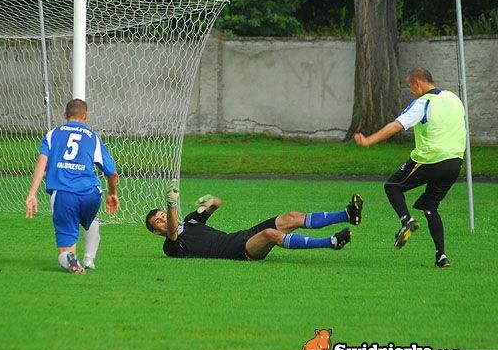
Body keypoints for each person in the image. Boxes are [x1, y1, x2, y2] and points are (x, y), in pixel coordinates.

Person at [354, 67, 466, 268]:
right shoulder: (453, 98)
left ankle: (406, 221)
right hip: (455, 162)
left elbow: (396, 126)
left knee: (392, 186)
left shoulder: (423, 103)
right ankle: (441, 256)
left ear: (418, 83)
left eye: (410, 87)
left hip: (431, 159)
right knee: (430, 207)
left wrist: (368, 141)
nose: (411, 92)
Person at [145, 180, 362, 261]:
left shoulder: (192, 220)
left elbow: (217, 203)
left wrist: (207, 200)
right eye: (158, 221)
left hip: (242, 236)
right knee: (270, 235)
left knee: (291, 217)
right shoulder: (171, 247)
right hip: (236, 251)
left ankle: (347, 215)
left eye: (162, 215)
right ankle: (331, 242)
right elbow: (172, 231)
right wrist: (171, 205)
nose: (163, 219)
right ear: (156, 232)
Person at [25, 99, 119, 274]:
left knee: (65, 250)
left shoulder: (52, 135)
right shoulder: (93, 137)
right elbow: (112, 173)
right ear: (85, 116)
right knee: (91, 218)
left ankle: (71, 260)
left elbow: (41, 162)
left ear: (65, 115)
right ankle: (89, 259)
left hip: (64, 193)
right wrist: (112, 194)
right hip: (91, 193)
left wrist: (32, 193)